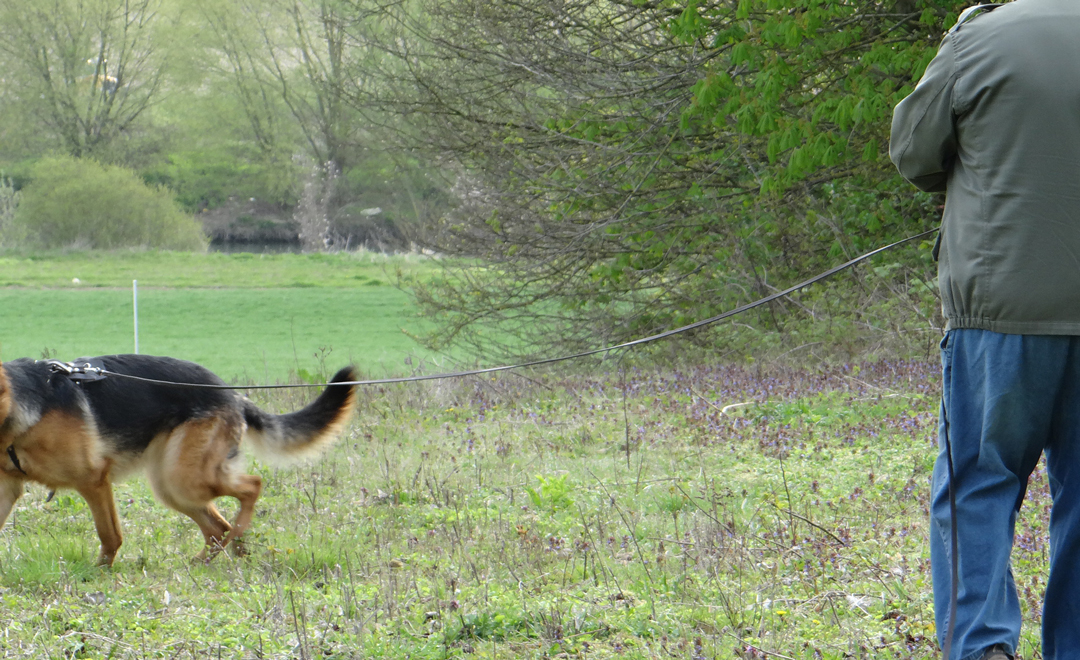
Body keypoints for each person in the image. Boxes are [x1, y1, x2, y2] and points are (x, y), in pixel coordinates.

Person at [890, 1, 1080, 659]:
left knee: (979, 483)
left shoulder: (981, 37)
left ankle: (982, 647)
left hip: (1000, 315)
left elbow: (913, 152)